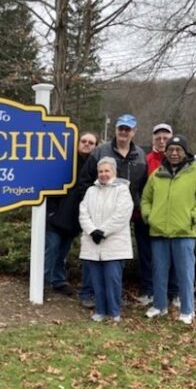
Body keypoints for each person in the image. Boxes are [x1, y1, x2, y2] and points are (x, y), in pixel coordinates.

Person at [141, 134, 196, 324]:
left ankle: (188, 310)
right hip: (159, 231)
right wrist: (149, 215)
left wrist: (194, 217)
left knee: (185, 272)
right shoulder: (158, 173)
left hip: (184, 232)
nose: (174, 153)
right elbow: (146, 198)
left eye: (178, 150)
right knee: (159, 271)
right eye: (170, 150)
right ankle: (159, 306)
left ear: (185, 151)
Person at [78, 114, 148, 304]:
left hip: (127, 213)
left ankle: (113, 295)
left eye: (128, 129)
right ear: (115, 130)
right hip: (100, 213)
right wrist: (91, 206)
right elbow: (84, 181)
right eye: (121, 128)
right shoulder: (101, 151)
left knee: (117, 256)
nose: (124, 132)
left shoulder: (140, 155)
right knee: (93, 252)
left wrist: (140, 206)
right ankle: (88, 293)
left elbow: (144, 186)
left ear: (134, 131)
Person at [78, 157, 134, 322]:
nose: (103, 174)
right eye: (101, 171)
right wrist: (92, 230)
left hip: (113, 243)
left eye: (107, 171)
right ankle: (100, 310)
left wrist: (103, 231)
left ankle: (114, 312)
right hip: (92, 242)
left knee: (112, 279)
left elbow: (122, 215)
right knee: (96, 280)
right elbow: (83, 213)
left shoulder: (122, 190)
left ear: (114, 172)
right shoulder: (91, 191)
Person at [44, 132, 97, 304]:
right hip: (56, 216)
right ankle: (42, 282)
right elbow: (50, 185)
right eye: (84, 141)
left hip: (75, 219)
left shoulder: (95, 166)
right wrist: (51, 212)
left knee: (62, 252)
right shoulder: (64, 160)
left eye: (91, 142)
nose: (87, 144)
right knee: (51, 249)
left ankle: (58, 281)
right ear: (77, 142)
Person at [138, 123, 180, 307]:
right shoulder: (145, 160)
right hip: (146, 218)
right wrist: (143, 212)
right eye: (158, 138)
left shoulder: (181, 162)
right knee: (147, 257)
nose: (162, 141)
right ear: (152, 140)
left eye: (165, 138)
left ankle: (174, 292)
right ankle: (149, 291)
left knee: (173, 256)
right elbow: (139, 189)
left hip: (172, 218)